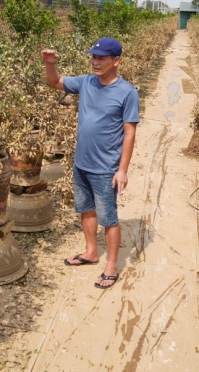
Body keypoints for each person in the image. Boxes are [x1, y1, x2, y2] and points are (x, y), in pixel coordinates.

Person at [42, 37, 139, 289]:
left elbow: (129, 132)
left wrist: (122, 170)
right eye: (94, 57)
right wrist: (49, 64)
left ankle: (111, 266)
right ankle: (91, 252)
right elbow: (54, 82)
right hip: (81, 163)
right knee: (86, 209)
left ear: (116, 61)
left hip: (105, 168)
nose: (95, 62)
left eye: (102, 58)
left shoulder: (127, 92)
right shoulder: (86, 83)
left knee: (109, 218)